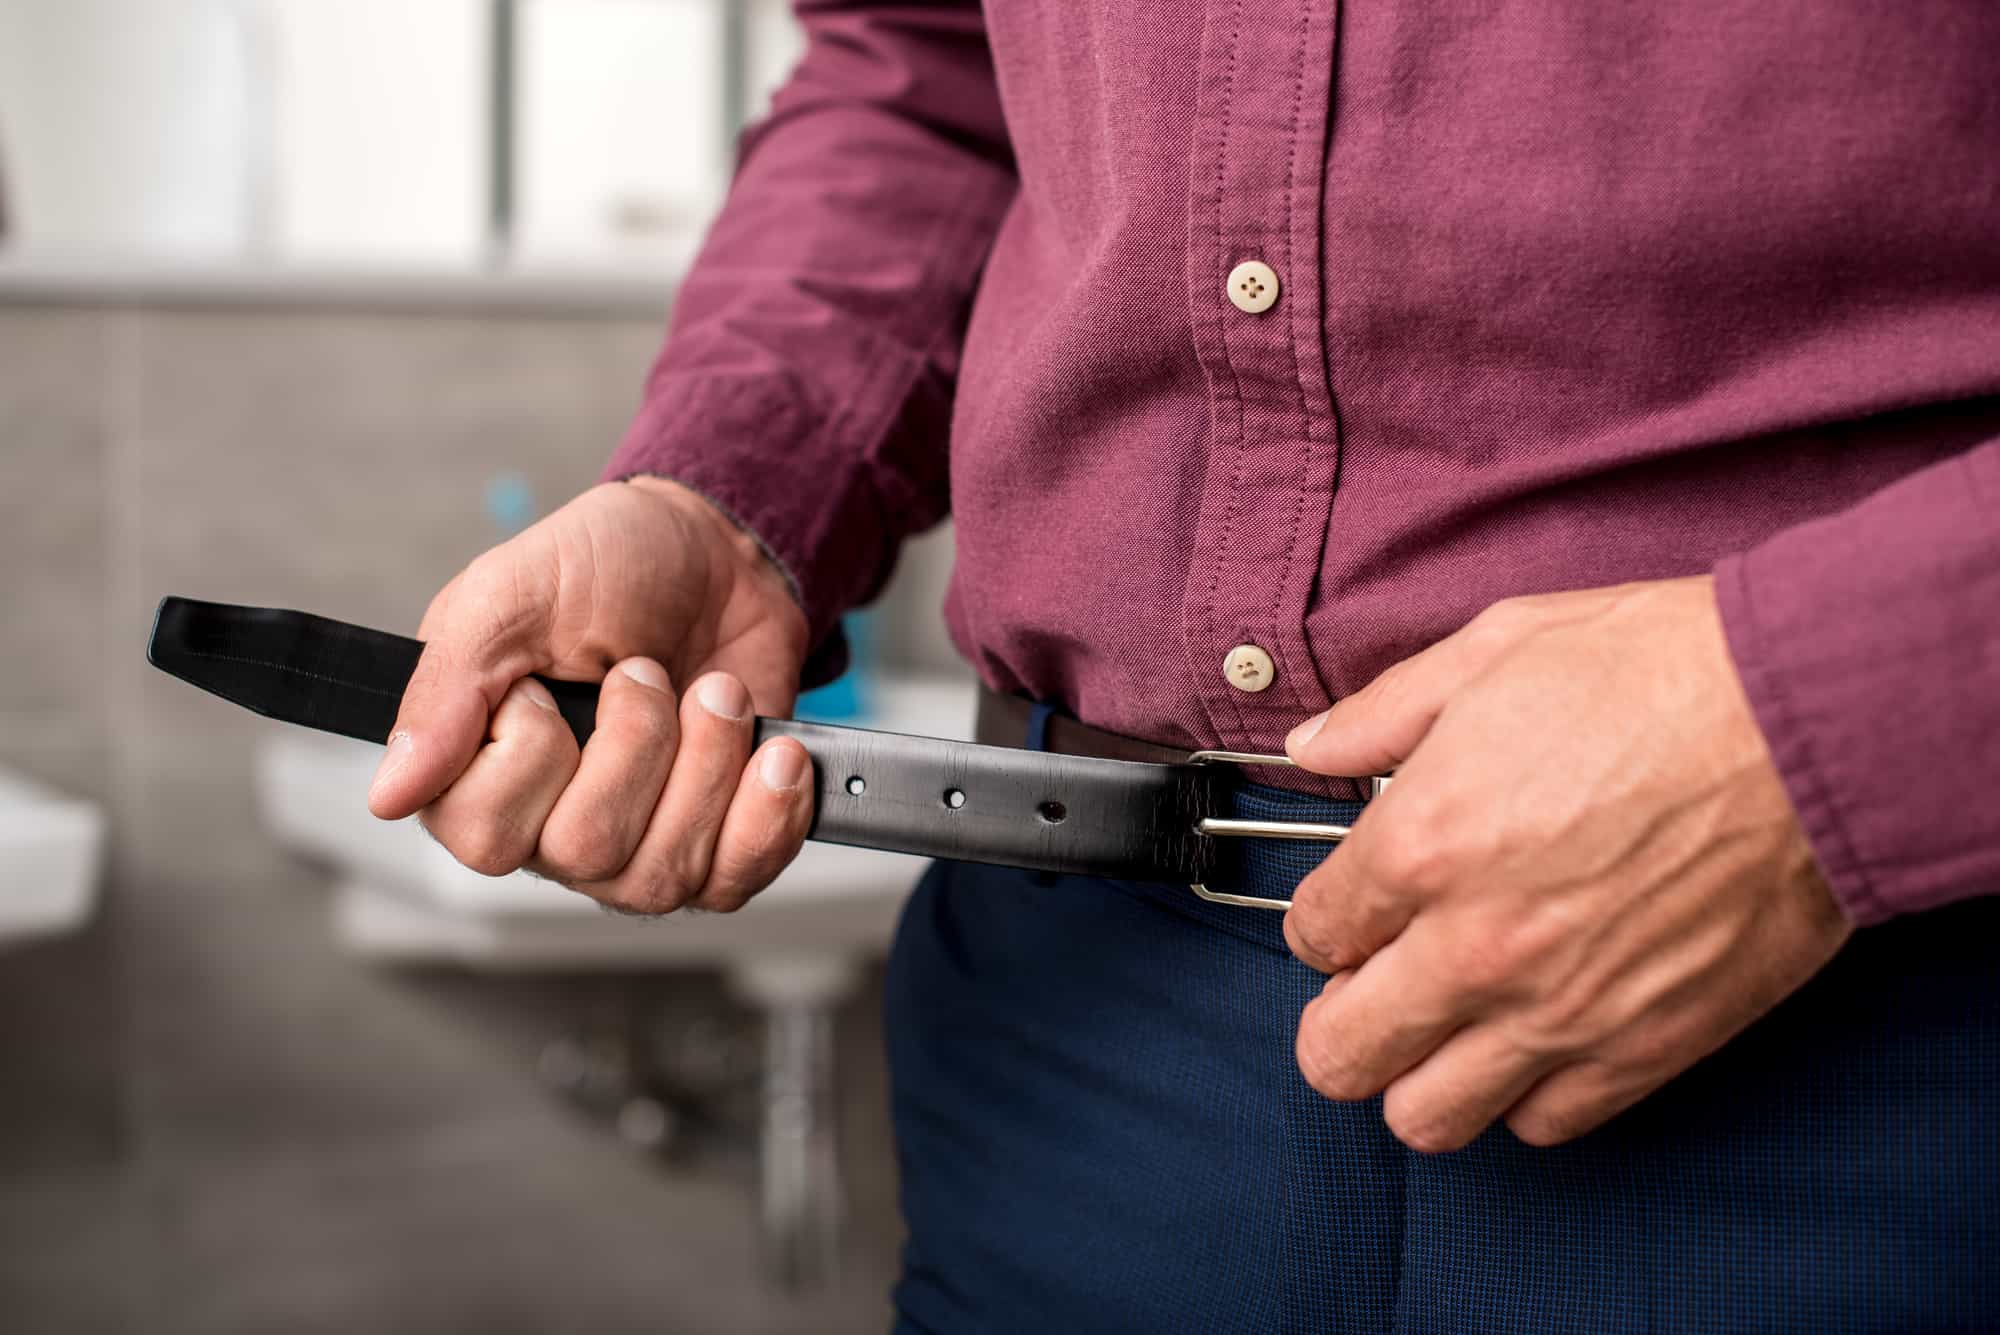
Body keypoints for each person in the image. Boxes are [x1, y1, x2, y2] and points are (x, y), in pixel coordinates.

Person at [366, 3, 2000, 1331]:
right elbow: (929, 78)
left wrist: (1804, 721)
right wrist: (732, 492)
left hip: (1870, 1037)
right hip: (1074, 1043)